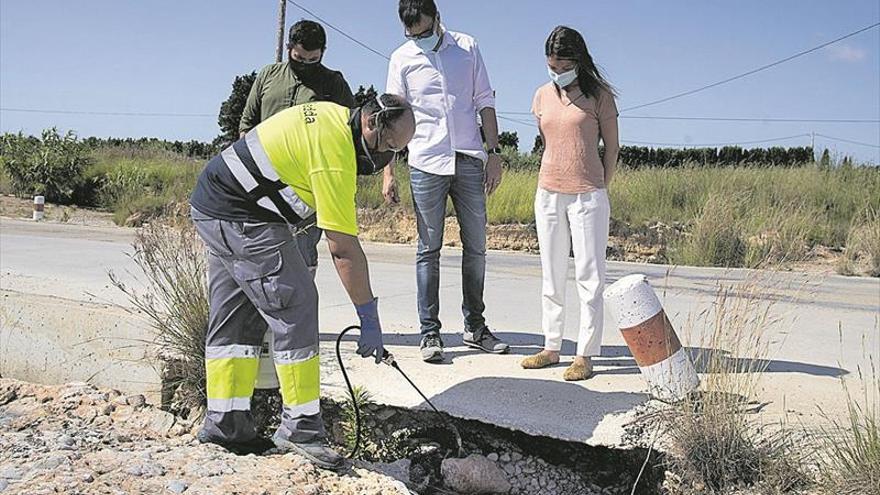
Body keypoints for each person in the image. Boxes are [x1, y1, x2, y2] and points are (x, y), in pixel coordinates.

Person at [189, 95, 415, 469]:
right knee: (295, 304)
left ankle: (225, 423)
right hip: (243, 214)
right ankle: (302, 429)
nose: (387, 159)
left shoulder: (333, 116)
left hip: (216, 202)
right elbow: (343, 250)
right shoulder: (337, 156)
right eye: (390, 147)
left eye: (398, 153)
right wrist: (368, 316)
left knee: (237, 315)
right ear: (372, 122)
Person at [384, 0, 509, 363]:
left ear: (437, 19)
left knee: (477, 248)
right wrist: (390, 169)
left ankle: (475, 327)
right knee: (428, 249)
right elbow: (392, 115)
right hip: (425, 162)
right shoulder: (402, 58)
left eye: (424, 30)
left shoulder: (468, 48)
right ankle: (430, 334)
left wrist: (495, 152)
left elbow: (485, 100)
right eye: (412, 34)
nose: (419, 38)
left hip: (469, 159)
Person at [520, 26, 619, 381]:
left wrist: (598, 186)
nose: (556, 71)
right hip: (547, 192)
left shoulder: (601, 96)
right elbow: (549, 140)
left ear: (578, 61)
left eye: (562, 65)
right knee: (552, 273)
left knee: (590, 277)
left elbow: (613, 147)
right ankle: (550, 346)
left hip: (588, 195)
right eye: (551, 65)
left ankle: (585, 353)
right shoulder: (541, 96)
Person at [240, 19, 356, 278]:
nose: (304, 65)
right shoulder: (268, 75)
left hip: (307, 187)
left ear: (323, 53)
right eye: (298, 58)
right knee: (260, 254)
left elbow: (351, 134)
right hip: (263, 183)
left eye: (312, 60)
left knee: (301, 256)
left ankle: (299, 314)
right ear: (289, 47)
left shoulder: (333, 83)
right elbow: (247, 124)